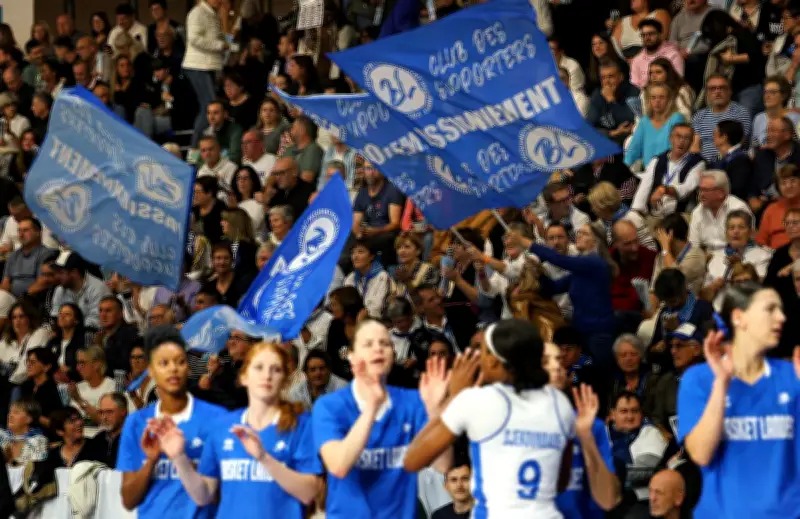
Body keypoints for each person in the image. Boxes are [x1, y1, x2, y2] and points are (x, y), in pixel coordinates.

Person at [404, 319, 575, 517]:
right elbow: (560, 482)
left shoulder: (481, 401)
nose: (477, 356)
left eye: (483, 351)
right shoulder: (560, 404)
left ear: (493, 361)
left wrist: (451, 399)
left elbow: (412, 460)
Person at [151, 342, 323, 518]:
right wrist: (179, 457)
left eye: (276, 370)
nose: (267, 375)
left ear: (285, 379)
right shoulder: (222, 426)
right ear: (244, 377)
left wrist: (264, 458)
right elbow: (204, 496)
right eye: (259, 368)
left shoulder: (301, 425)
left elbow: (309, 493)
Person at [678, 281, 800, 518]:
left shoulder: (792, 375)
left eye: (781, 310)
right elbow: (701, 454)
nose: (781, 317)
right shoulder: (699, 379)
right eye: (770, 309)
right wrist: (721, 384)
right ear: (739, 317)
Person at [312, 319, 452, 519]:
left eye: (385, 343)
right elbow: (339, 465)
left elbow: (443, 464)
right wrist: (372, 408)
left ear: (392, 355)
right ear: (352, 357)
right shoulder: (329, 406)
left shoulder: (412, 401)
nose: (378, 348)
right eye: (368, 344)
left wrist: (435, 411)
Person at [118, 326, 223, 517]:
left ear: (188, 367)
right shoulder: (136, 422)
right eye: (164, 363)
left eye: (180, 362)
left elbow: (221, 495)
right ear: (151, 371)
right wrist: (151, 461)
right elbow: (129, 500)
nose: (173, 369)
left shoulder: (217, 418)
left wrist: (181, 458)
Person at [84, 392, 128, 468]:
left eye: (109, 412)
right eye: (101, 412)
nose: (104, 417)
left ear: (123, 411)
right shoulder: (98, 438)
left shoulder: (135, 438)